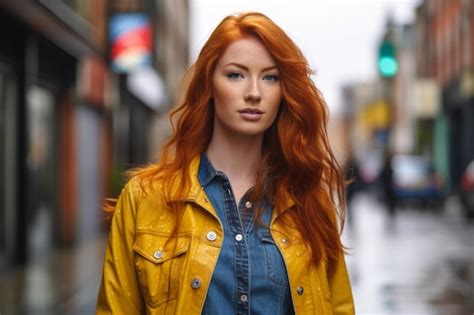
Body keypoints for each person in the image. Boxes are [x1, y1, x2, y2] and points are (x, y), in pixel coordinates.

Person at [96, 12, 354, 314]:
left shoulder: (308, 202)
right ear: (209, 86)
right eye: (236, 75)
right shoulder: (144, 198)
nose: (254, 93)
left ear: (283, 93)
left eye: (270, 77)